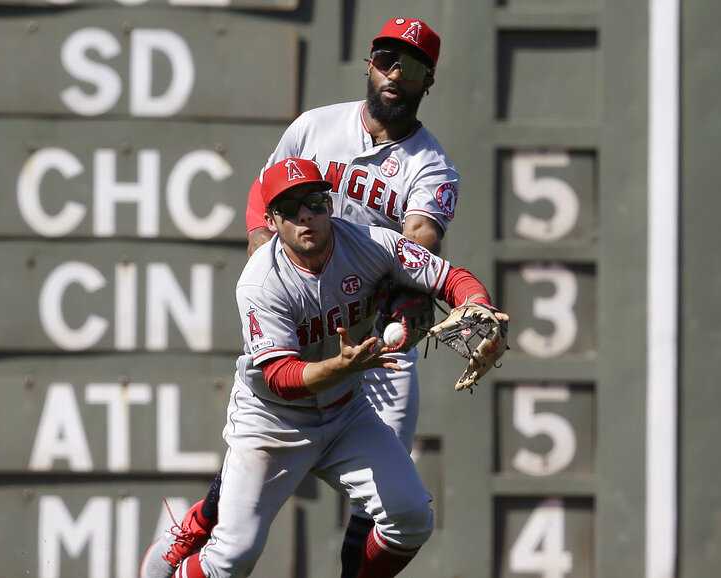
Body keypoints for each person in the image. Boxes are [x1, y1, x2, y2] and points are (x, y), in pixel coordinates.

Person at [142, 16, 461, 578]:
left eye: (410, 66)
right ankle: (204, 521)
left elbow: (419, 243)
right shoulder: (316, 127)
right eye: (386, 59)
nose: (394, 74)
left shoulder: (430, 165)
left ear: (427, 80)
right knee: (262, 451)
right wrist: (265, 261)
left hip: (373, 343)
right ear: (368, 64)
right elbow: (264, 195)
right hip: (304, 317)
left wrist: (434, 293)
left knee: (392, 507)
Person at [141, 158, 505, 578]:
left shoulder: (371, 244)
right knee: (232, 558)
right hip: (272, 423)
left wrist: (477, 302)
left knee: (411, 519)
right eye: (290, 209)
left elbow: (448, 276)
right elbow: (282, 378)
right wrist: (340, 366)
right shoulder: (261, 282)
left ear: (329, 204)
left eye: (314, 202)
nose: (305, 216)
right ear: (272, 220)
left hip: (346, 414)